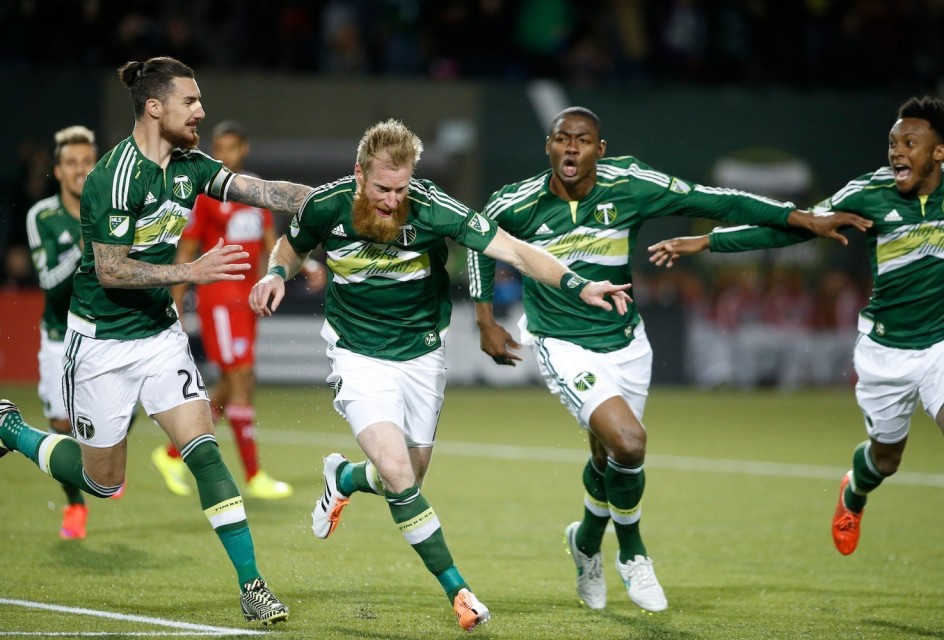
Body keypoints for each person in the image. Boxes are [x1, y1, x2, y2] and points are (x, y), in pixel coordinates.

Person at [467, 106, 870, 613]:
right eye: (562, 139)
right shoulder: (516, 202)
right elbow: (478, 238)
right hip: (561, 342)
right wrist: (485, 319)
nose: (572, 148)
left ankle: (587, 542)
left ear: (601, 149)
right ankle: (633, 554)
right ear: (548, 146)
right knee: (630, 443)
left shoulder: (630, 184)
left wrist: (801, 217)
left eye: (584, 140)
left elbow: (716, 200)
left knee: (607, 458)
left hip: (627, 342)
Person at [248, 118, 631, 631]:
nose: (391, 200)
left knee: (407, 475)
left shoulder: (432, 208)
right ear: (359, 175)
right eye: (382, 188)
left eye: (401, 188)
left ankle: (343, 476)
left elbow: (514, 250)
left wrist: (579, 284)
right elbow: (292, 249)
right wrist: (276, 273)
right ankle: (459, 591)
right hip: (357, 354)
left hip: (422, 355)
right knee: (401, 475)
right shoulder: (326, 204)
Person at [0, 56, 312, 626]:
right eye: (191, 101)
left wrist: (330, 199)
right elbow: (110, 269)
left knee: (203, 450)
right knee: (102, 482)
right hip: (101, 345)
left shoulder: (189, 164)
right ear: (155, 107)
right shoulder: (112, 176)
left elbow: (256, 189)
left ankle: (252, 585)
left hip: (159, 337)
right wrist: (193, 271)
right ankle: (10, 429)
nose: (201, 111)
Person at [648, 95, 942, 559]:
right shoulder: (869, 192)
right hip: (888, 349)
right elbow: (790, 228)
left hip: (940, 346)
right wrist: (706, 241)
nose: (897, 152)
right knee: (885, 459)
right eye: (892, 143)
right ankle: (854, 491)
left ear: (939, 152)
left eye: (910, 142)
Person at [152, 120, 292, 500]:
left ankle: (171, 453)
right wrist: (176, 305)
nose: (223, 155)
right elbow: (186, 253)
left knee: (237, 384)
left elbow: (270, 244)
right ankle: (253, 475)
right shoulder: (208, 195)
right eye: (218, 147)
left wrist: (288, 271)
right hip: (218, 301)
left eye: (230, 147)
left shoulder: (254, 190)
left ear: (243, 148)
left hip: (246, 302)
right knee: (240, 380)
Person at [26, 125, 101, 539]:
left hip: (106, 335)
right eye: (71, 163)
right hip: (60, 334)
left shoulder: (110, 207)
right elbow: (50, 283)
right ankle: (75, 505)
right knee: (59, 421)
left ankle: (113, 452)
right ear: (57, 170)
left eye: (87, 161)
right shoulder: (43, 216)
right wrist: (86, 247)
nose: (80, 170)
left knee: (112, 418)